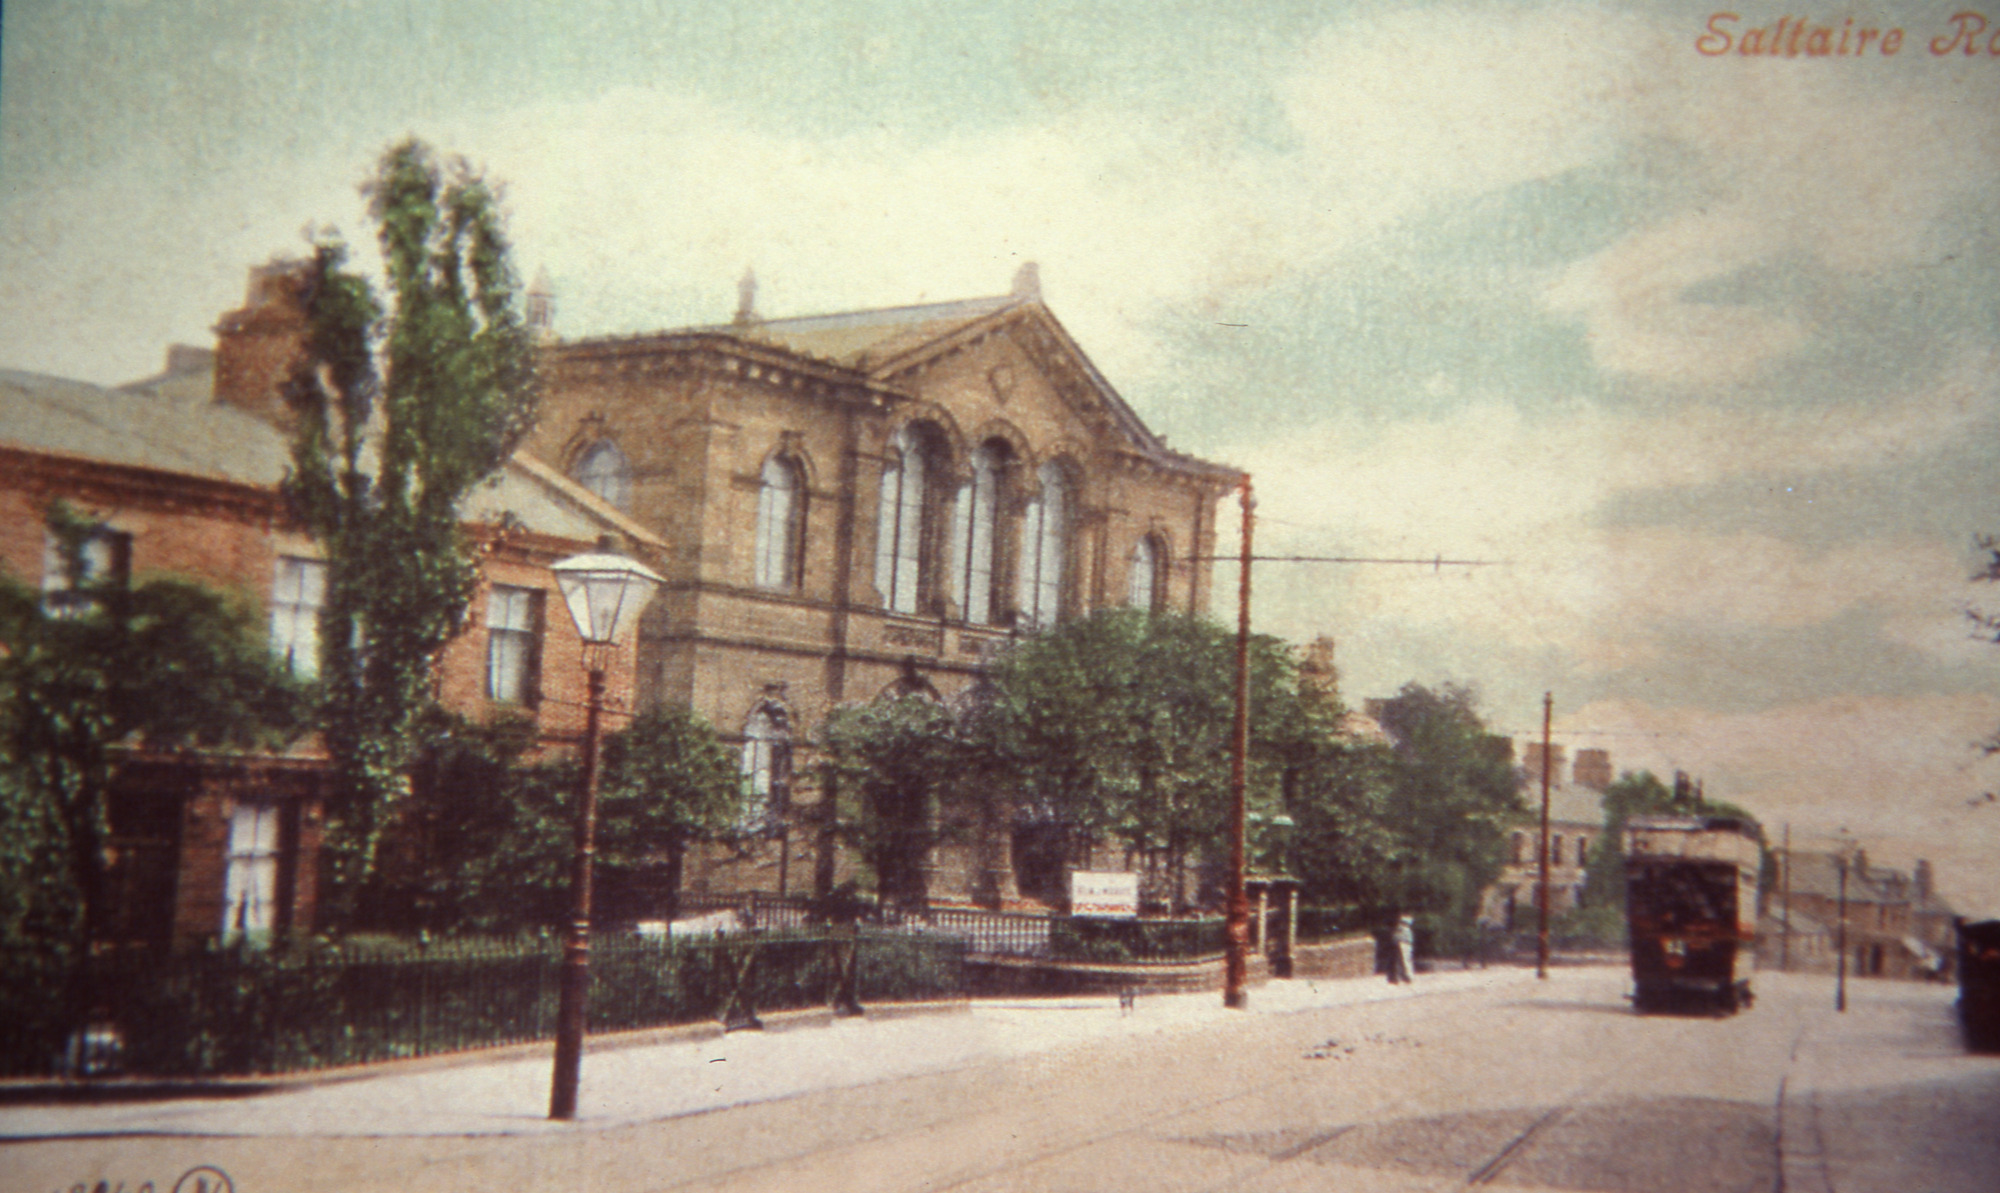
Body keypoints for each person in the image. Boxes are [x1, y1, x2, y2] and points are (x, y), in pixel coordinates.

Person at [1389, 915, 1416, 984]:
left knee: (1404, 961)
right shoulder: (1404, 929)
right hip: (1403, 944)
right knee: (1402, 961)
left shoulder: (1402, 929)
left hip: (1403, 944)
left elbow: (1395, 937)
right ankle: (1403, 977)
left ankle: (1406, 977)